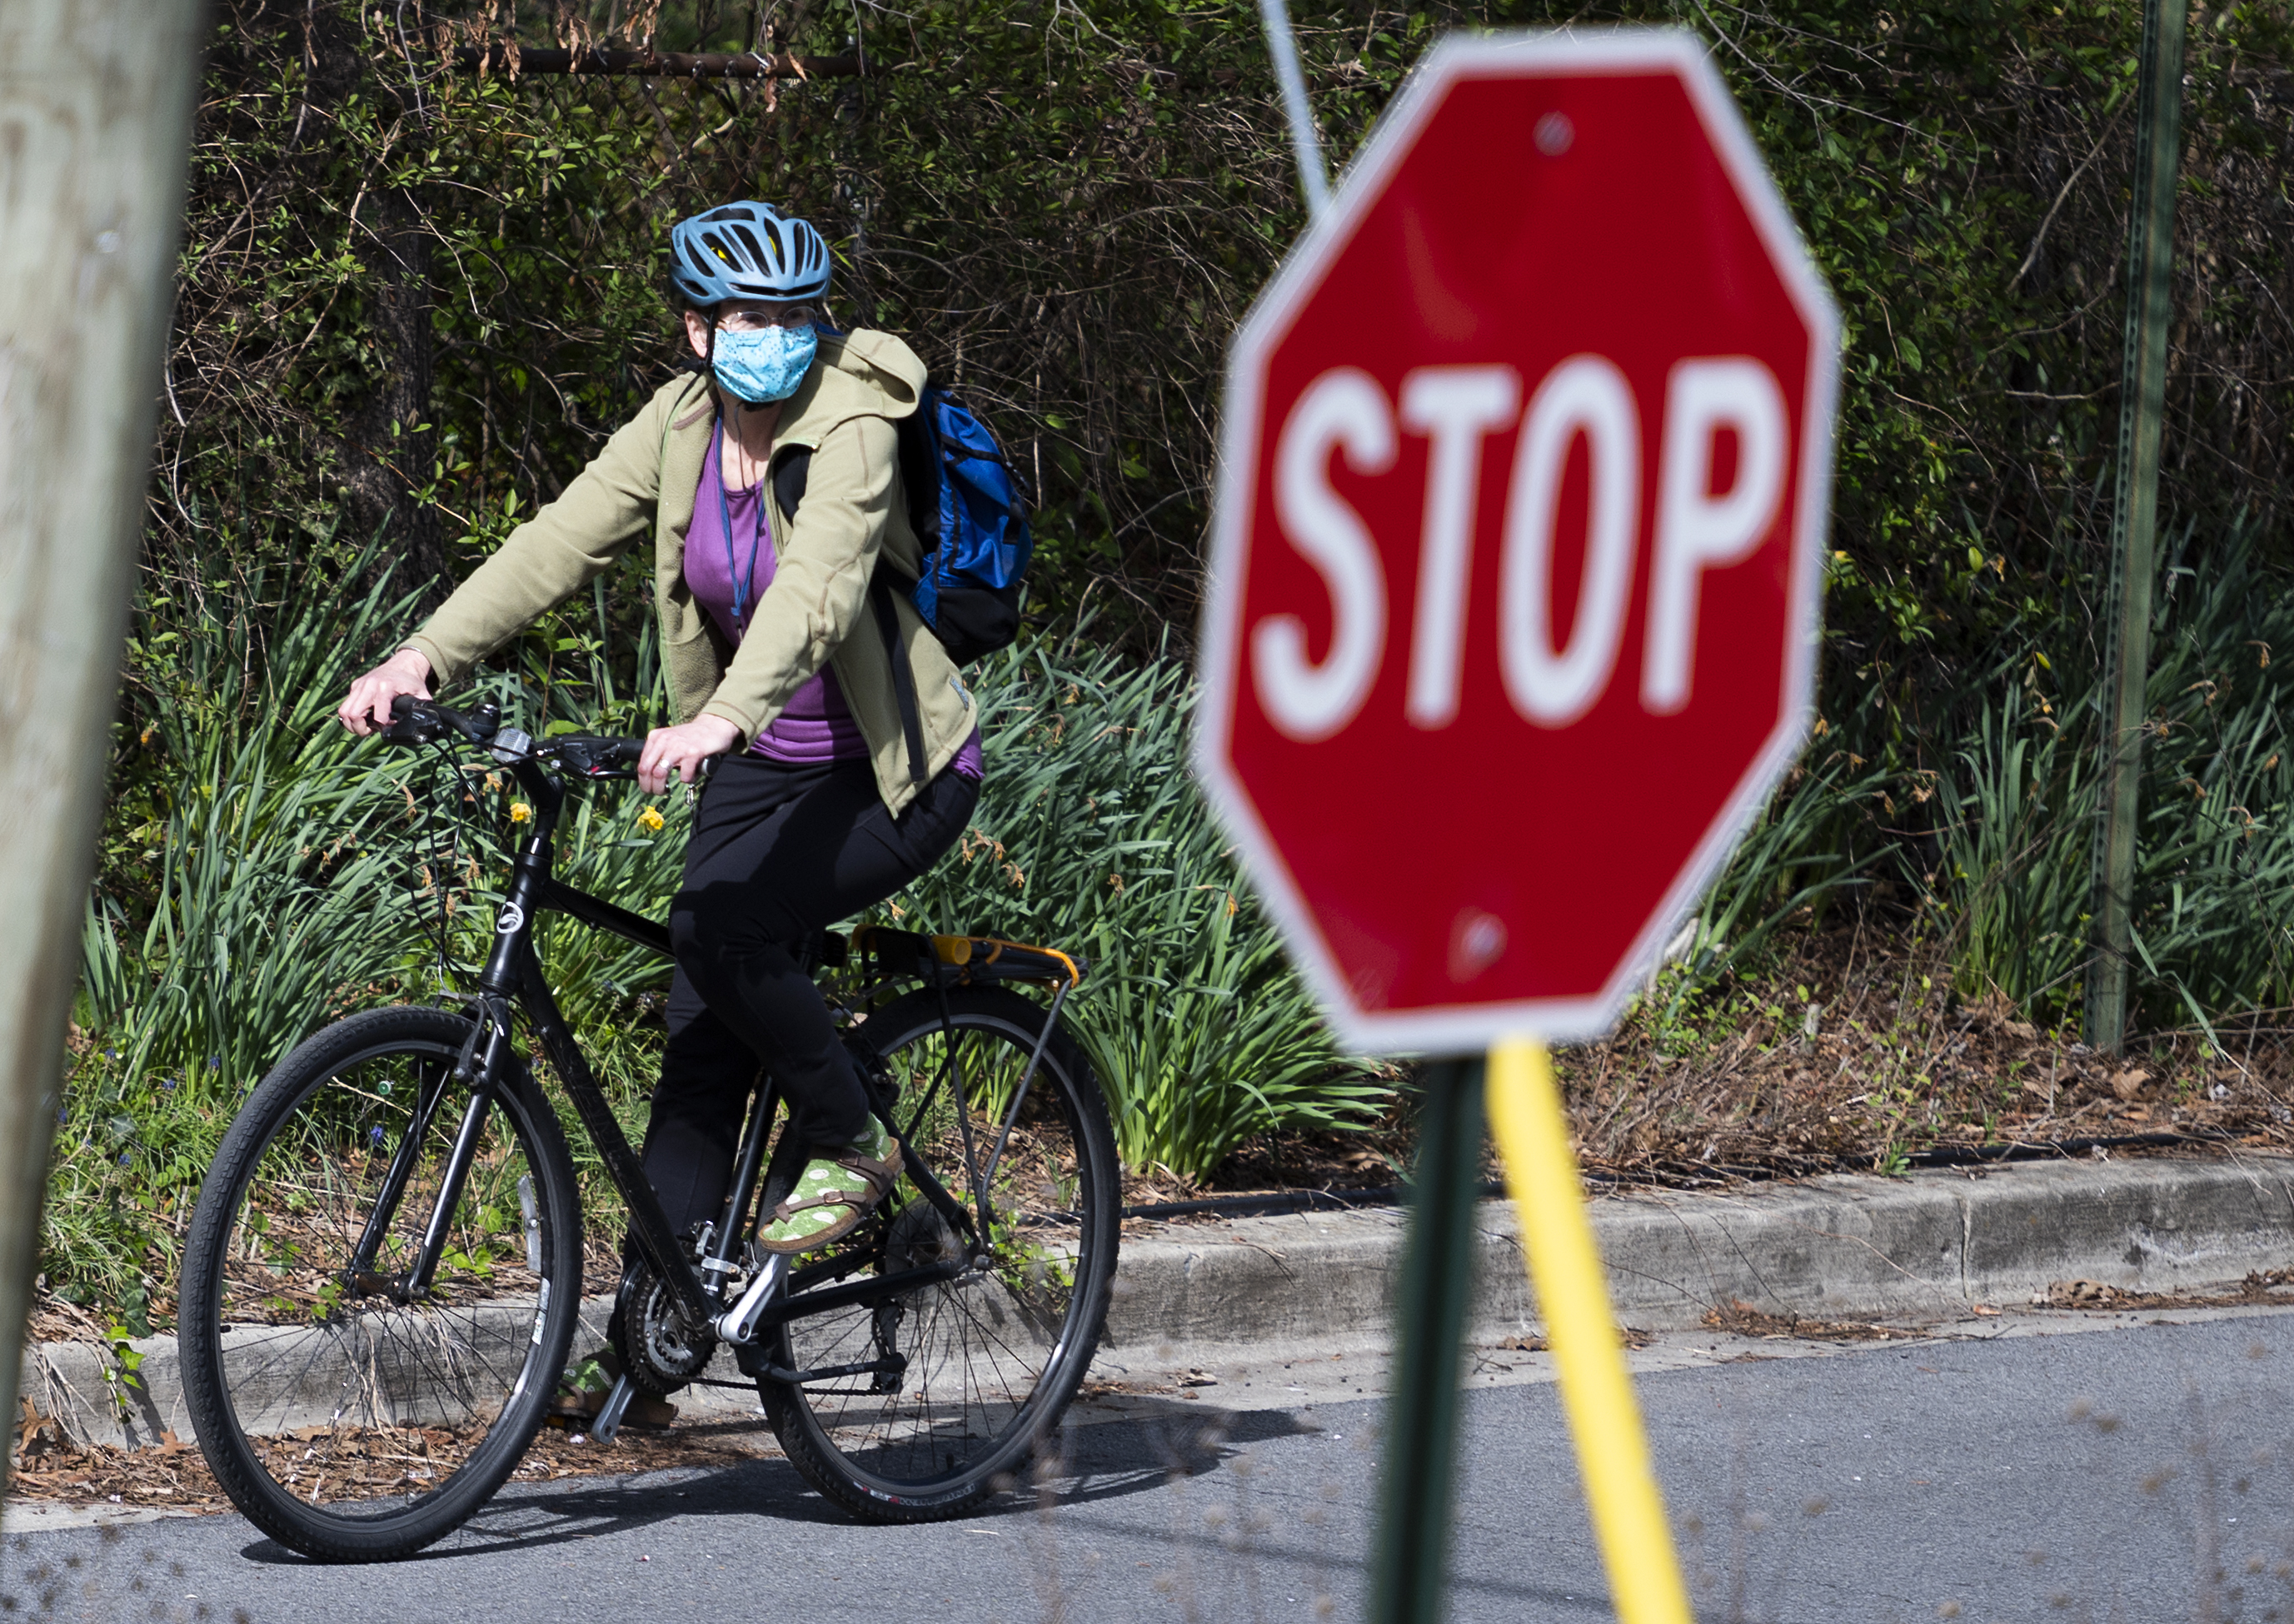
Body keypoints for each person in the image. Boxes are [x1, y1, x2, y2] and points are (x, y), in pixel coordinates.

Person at [337, 202, 985, 1284]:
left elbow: (819, 589)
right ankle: (654, 1328)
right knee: (697, 1038)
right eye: (746, 315)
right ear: (697, 329)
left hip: (891, 769)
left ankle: (850, 1140)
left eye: (794, 315)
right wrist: (421, 658)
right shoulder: (678, 428)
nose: (774, 334)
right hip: (758, 765)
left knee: (725, 930)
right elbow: (554, 542)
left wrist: (723, 715)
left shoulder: (854, 415)